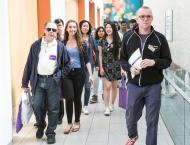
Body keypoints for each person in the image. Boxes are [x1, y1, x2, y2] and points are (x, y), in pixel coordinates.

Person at [120, 6, 172, 145]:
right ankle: (133, 135)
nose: (145, 19)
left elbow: (167, 61)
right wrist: (130, 68)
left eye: (148, 16)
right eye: (142, 16)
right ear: (137, 19)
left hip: (153, 86)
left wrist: (153, 62)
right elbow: (122, 59)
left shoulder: (160, 38)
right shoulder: (128, 37)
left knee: (152, 121)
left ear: (152, 18)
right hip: (134, 85)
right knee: (131, 116)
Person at [21, 22, 70, 144]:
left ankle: (50, 133)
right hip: (37, 81)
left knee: (53, 109)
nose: (52, 31)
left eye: (54, 30)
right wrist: (24, 83)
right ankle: (41, 125)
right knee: (37, 105)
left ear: (57, 32)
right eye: (49, 29)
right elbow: (29, 65)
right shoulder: (36, 46)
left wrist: (58, 76)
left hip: (53, 82)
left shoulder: (60, 46)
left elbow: (67, 65)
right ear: (44, 30)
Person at [62, 20, 93, 134]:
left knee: (77, 98)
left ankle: (77, 121)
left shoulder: (81, 42)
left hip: (79, 73)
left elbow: (87, 60)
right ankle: (69, 123)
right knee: (69, 98)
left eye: (74, 27)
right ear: (66, 29)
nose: (72, 29)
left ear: (77, 29)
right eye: (70, 27)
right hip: (66, 74)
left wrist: (90, 75)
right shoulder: (62, 43)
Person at [99, 21, 121, 116]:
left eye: (110, 27)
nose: (108, 29)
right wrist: (101, 67)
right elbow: (100, 55)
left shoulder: (118, 41)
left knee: (114, 86)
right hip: (105, 66)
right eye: (106, 27)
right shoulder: (101, 41)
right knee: (107, 86)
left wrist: (122, 67)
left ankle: (112, 104)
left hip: (115, 66)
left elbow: (119, 55)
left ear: (113, 29)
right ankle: (106, 107)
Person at [79, 20, 96, 115]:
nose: (85, 27)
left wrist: (97, 64)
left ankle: (85, 106)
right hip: (78, 66)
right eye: (83, 26)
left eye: (87, 26)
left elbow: (95, 51)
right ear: (80, 27)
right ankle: (79, 105)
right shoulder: (77, 37)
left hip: (89, 66)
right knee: (79, 88)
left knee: (88, 87)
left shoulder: (91, 38)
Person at [90, 26, 105, 104]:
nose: (101, 32)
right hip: (96, 63)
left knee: (104, 80)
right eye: (99, 31)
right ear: (97, 32)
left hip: (105, 63)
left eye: (102, 31)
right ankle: (95, 95)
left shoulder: (106, 41)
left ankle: (104, 94)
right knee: (95, 79)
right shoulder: (94, 41)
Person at [54, 18, 65, 125]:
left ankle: (60, 116)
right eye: (56, 25)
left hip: (62, 71)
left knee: (60, 95)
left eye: (60, 25)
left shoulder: (64, 39)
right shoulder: (51, 38)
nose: (58, 27)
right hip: (51, 70)